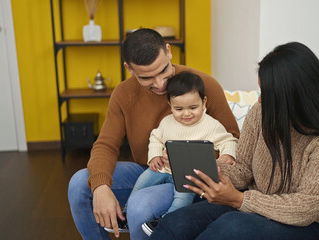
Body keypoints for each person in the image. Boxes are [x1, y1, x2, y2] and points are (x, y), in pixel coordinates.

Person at [149, 42, 319, 240]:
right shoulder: (263, 111)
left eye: (267, 94)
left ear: (294, 96)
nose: (260, 100)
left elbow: (304, 209)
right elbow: (243, 169)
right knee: (176, 222)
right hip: (258, 204)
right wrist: (202, 165)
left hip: (313, 226)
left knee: (230, 228)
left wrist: (238, 200)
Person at [67, 28, 239, 240]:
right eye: (147, 77)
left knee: (140, 205)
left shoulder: (203, 86)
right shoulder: (123, 94)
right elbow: (105, 145)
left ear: (168, 52)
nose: (160, 84)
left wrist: (189, 156)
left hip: (191, 179)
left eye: (163, 70)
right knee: (79, 185)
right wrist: (101, 187)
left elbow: (232, 139)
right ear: (129, 69)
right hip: (151, 169)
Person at [105, 71, 238, 235]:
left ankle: (166, 220)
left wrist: (227, 156)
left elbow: (229, 140)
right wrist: (154, 155)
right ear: (170, 104)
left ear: (203, 103)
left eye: (193, 108)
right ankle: (126, 217)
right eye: (179, 109)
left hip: (189, 175)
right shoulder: (167, 122)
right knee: (141, 181)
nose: (186, 114)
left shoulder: (211, 125)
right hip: (164, 168)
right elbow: (156, 137)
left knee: (183, 197)